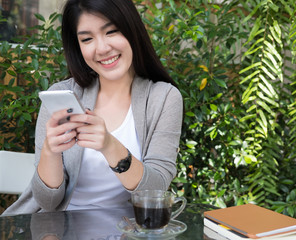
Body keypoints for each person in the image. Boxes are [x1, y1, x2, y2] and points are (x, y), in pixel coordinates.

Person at [2, 0, 183, 215]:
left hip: (127, 230)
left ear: (132, 30)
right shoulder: (60, 96)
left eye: (111, 31)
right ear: (78, 46)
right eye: (87, 39)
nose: (102, 48)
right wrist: (50, 152)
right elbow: (47, 202)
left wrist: (109, 146)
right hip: (61, 228)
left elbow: (156, 190)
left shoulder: (163, 98)